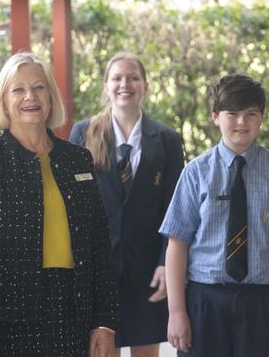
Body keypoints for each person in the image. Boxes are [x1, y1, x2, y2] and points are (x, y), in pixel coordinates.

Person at [0, 52, 118, 357]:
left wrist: (104, 323)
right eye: (18, 89)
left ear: (50, 98)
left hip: (73, 313)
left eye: (39, 88)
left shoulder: (77, 159)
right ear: (3, 102)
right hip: (6, 315)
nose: (31, 96)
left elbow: (99, 245)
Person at [159, 74, 269, 357]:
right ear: (215, 117)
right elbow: (177, 244)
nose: (241, 123)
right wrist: (176, 312)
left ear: (262, 118)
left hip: (261, 302)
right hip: (204, 301)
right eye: (232, 114)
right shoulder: (196, 173)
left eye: (251, 114)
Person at [70, 52, 184, 357]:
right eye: (117, 78)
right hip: (98, 268)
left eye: (133, 77)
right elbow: (75, 209)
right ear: (106, 86)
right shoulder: (83, 133)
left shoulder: (168, 140)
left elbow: (176, 210)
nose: (125, 84)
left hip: (148, 268)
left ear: (145, 85)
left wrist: (165, 262)